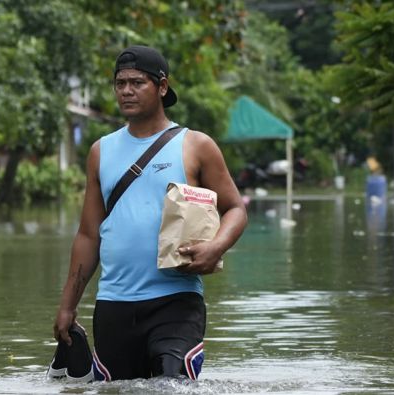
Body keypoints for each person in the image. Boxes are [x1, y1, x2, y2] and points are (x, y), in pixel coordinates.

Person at [52, 45, 248, 381]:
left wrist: (216, 247)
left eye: (137, 82)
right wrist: (68, 306)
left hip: (176, 300)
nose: (126, 91)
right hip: (114, 304)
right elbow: (88, 234)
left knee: (171, 382)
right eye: (120, 83)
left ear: (162, 87)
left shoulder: (196, 145)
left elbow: (235, 209)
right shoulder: (101, 151)